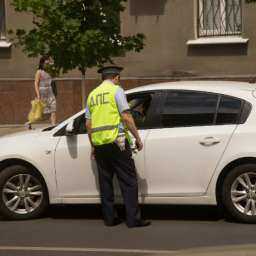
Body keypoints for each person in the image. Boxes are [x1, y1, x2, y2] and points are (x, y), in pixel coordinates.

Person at [85, 66, 151, 228]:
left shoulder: (92, 95)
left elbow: (88, 123)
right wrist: (137, 138)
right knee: (128, 181)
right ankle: (133, 220)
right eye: (118, 78)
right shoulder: (116, 90)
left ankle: (110, 219)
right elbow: (126, 116)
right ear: (116, 77)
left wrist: (93, 145)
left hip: (100, 144)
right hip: (117, 141)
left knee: (105, 182)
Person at [34, 55, 57, 126]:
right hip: (42, 93)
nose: (47, 65)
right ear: (42, 63)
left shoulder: (50, 71)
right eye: (46, 63)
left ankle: (53, 125)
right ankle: (30, 123)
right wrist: (38, 95)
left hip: (50, 93)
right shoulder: (39, 72)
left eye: (48, 63)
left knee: (53, 109)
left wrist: (55, 92)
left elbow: (54, 81)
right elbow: (36, 83)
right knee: (42, 114)